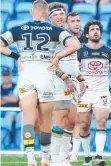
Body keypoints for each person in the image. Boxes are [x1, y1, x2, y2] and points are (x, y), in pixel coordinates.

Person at [0, 1, 80, 166]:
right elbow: (75, 45)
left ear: (31, 12)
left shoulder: (19, 28)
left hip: (26, 75)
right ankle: (45, 158)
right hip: (45, 75)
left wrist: (16, 56)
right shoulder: (55, 30)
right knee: (45, 120)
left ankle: (30, 158)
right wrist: (57, 57)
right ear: (46, 13)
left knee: (28, 119)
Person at [77, 20, 111, 166]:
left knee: (101, 122)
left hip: (102, 92)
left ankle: (99, 156)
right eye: (92, 29)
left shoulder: (108, 51)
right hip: (84, 93)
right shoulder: (80, 51)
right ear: (86, 34)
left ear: (101, 33)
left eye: (97, 29)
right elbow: (75, 71)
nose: (95, 31)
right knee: (84, 125)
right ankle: (87, 157)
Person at [48, 3, 85, 166]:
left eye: (62, 13)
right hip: (58, 81)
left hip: (73, 82)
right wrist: (65, 78)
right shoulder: (50, 36)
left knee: (71, 121)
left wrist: (81, 80)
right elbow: (50, 63)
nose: (60, 16)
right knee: (60, 120)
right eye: (56, 14)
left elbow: (73, 63)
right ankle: (56, 159)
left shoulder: (68, 37)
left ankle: (64, 158)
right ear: (50, 17)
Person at [65, 12, 88, 163]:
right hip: (67, 80)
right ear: (67, 24)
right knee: (66, 118)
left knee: (79, 119)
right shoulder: (64, 38)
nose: (76, 23)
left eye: (78, 21)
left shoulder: (87, 39)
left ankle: (74, 152)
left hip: (84, 81)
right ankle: (64, 150)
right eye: (72, 21)